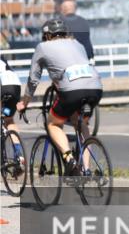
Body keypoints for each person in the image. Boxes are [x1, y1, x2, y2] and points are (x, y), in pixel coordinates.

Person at [16, 17, 103, 175]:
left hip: (71, 91)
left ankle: (69, 160)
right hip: (96, 87)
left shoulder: (43, 47)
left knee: (53, 124)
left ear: (48, 35)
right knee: (81, 124)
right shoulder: (77, 43)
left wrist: (25, 102)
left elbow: (33, 79)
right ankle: (87, 169)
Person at [1, 57, 25, 178]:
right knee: (9, 119)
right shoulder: (2, 59)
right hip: (14, 84)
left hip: (2, 84)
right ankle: (19, 155)